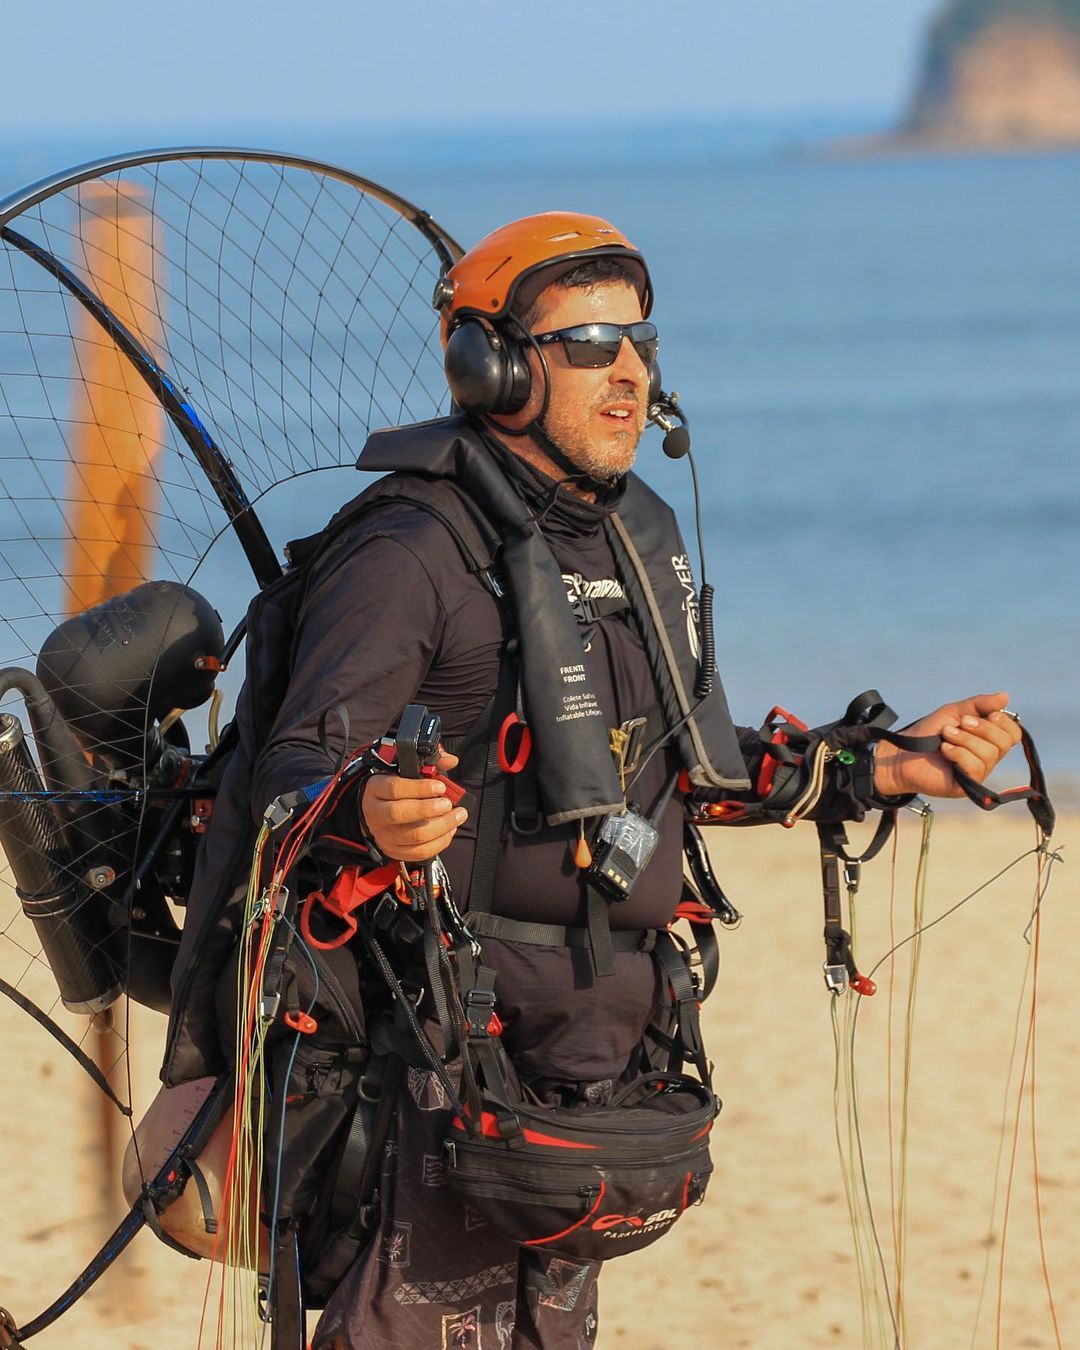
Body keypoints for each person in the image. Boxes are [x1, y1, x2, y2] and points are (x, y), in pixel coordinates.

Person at [164, 213, 1022, 1350]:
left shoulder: (627, 540)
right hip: (432, 1057)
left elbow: (692, 767)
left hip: (596, 1066)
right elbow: (290, 780)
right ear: (496, 368)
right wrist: (365, 807)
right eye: (589, 342)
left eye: (641, 341)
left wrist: (886, 764)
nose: (630, 369)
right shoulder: (409, 550)